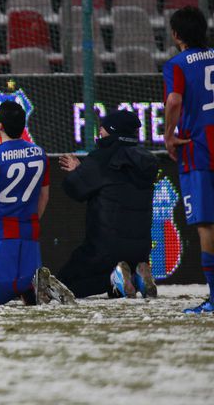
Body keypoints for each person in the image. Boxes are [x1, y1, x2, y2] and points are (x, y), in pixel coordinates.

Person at [0, 102, 73, 306]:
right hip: (29, 230)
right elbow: (44, 197)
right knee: (30, 300)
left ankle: (30, 283)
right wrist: (31, 222)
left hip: (1, 231)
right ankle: (32, 283)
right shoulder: (39, 153)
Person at [56, 109, 159, 299]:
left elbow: (73, 189)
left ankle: (120, 277)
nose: (99, 134)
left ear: (113, 130)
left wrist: (77, 171)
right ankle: (137, 277)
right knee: (117, 288)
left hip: (104, 247)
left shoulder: (100, 159)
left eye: (102, 129)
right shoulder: (147, 161)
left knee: (64, 285)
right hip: (140, 250)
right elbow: (116, 184)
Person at [161, 5, 214, 314]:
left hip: (200, 149)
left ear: (176, 34)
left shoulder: (177, 64)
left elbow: (174, 100)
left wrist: (169, 134)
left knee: (207, 223)